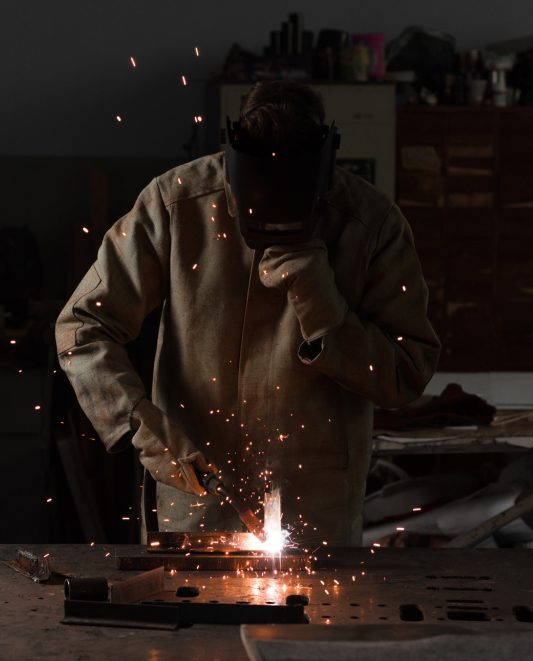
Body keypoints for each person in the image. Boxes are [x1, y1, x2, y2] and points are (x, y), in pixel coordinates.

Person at [54, 81, 440, 546]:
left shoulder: (370, 224)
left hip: (312, 510)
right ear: (233, 156)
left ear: (325, 163)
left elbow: (405, 372)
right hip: (198, 496)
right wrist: (141, 425)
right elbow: (84, 327)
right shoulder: (176, 204)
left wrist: (321, 303)